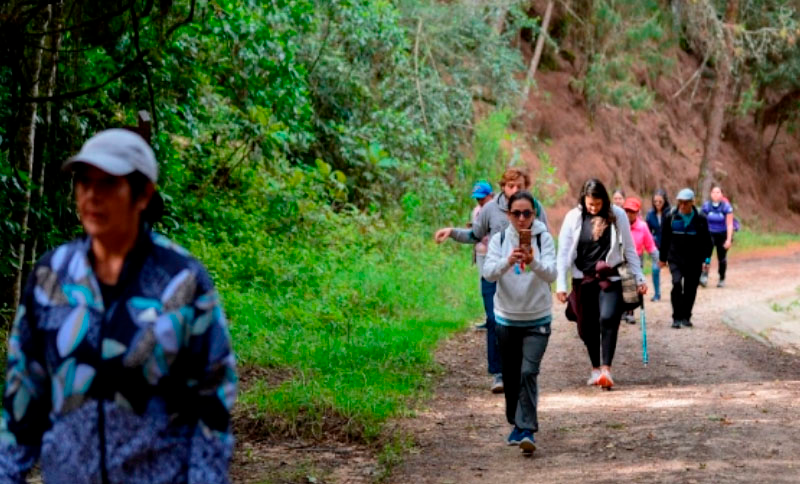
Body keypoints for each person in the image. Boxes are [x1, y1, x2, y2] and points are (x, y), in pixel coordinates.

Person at [0, 129, 237, 483]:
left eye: (108, 184)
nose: (92, 195)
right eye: (84, 183)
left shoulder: (182, 282)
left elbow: (213, 400)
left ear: (143, 194)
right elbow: (24, 393)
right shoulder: (52, 278)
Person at [435, 168, 548, 394]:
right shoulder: (490, 209)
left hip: (522, 277)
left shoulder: (535, 208)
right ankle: (498, 373)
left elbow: (543, 239)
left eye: (520, 186)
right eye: (511, 186)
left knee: (516, 324)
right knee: (493, 321)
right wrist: (451, 232)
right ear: (503, 187)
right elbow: (474, 235)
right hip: (494, 271)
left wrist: (542, 268)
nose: (515, 190)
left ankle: (519, 369)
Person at [482, 191, 556, 454]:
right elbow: (488, 274)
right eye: (517, 213)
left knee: (528, 372)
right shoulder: (500, 239)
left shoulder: (543, 237)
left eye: (527, 213)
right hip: (506, 317)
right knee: (512, 376)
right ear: (508, 215)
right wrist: (508, 260)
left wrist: (533, 261)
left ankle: (527, 430)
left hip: (538, 317)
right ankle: (516, 423)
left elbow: (552, 273)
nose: (522, 218)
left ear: (534, 214)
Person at [556, 179, 646, 389]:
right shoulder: (573, 217)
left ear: (604, 200)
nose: (594, 208)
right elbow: (563, 254)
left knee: (607, 318)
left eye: (597, 204)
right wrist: (561, 284)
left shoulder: (617, 215)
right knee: (588, 326)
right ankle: (595, 368)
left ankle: (606, 369)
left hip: (611, 277)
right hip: (583, 279)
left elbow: (629, 249)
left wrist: (639, 277)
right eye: (590, 205)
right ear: (583, 200)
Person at [659, 188, 713, 329]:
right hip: (675, 258)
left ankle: (686, 316)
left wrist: (706, 260)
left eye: (685, 203)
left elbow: (708, 242)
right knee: (676, 283)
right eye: (680, 203)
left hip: (694, 260)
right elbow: (664, 239)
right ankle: (676, 317)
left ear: (692, 203)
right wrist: (662, 258)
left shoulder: (700, 218)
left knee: (690, 288)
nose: (682, 206)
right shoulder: (670, 216)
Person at [621, 197, 658, 324]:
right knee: (623, 284)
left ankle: (630, 311)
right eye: (626, 211)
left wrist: (659, 260)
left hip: (637, 259)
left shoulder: (642, 227)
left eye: (631, 211)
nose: (628, 214)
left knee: (633, 283)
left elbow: (650, 246)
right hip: (621, 259)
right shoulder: (618, 225)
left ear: (637, 212)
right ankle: (623, 310)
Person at [470, 181, 494, 331]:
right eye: (478, 199)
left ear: (490, 196)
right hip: (481, 252)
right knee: (484, 286)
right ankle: (489, 318)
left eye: (482, 198)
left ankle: (495, 318)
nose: (480, 201)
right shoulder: (476, 211)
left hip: (494, 253)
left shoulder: (497, 210)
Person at [700, 185, 734, 288]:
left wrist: (728, 240)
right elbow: (701, 222)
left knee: (721, 258)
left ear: (722, 194)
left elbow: (729, 224)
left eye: (718, 192)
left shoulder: (726, 207)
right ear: (710, 194)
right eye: (713, 192)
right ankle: (704, 276)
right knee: (706, 257)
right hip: (709, 235)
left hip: (722, 235)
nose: (715, 194)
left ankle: (722, 277)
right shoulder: (706, 206)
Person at [645, 189, 670, 301]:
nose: (658, 204)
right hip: (656, 246)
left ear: (665, 201)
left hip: (670, 246)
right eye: (655, 201)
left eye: (660, 201)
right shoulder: (650, 214)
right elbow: (647, 231)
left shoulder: (670, 212)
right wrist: (652, 241)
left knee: (675, 271)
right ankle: (657, 294)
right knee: (655, 269)